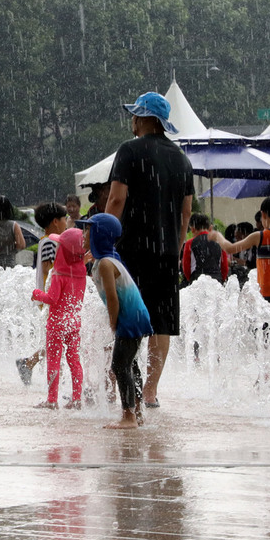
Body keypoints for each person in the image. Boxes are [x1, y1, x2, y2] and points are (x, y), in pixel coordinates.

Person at [105, 91, 194, 408]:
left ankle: (113, 384)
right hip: (167, 253)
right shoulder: (182, 159)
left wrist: (102, 240)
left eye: (134, 114)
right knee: (162, 322)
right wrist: (175, 245)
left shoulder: (129, 151)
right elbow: (186, 212)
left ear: (144, 119)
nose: (131, 120)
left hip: (132, 249)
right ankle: (152, 391)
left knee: (124, 315)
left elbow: (116, 200)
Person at [77, 214, 152, 429]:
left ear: (99, 234)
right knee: (130, 364)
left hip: (129, 318)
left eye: (88, 230)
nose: (84, 235)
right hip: (137, 315)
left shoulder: (105, 265)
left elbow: (112, 298)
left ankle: (129, 416)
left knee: (119, 365)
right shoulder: (107, 260)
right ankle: (137, 412)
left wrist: (113, 324)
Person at [30, 227, 87, 410]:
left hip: (56, 323)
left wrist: (37, 294)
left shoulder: (58, 274)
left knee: (53, 360)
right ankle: (77, 399)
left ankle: (52, 400)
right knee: (74, 360)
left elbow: (52, 299)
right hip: (74, 322)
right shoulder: (81, 272)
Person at [16, 202, 68, 385]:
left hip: (55, 296)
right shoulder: (50, 241)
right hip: (52, 297)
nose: (67, 222)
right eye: (65, 219)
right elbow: (50, 268)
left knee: (60, 338)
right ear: (55, 221)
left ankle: (30, 363)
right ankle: (36, 367)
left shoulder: (52, 240)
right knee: (60, 338)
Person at [181, 213, 229, 286]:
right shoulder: (219, 242)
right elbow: (224, 267)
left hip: (197, 280)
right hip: (216, 281)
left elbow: (186, 268)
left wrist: (190, 279)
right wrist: (221, 279)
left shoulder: (190, 243)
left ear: (192, 229)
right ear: (209, 227)